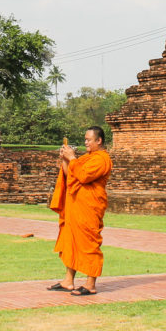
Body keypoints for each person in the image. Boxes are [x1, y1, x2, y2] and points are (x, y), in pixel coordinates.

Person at [47, 125, 113, 296]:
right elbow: (71, 175)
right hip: (76, 206)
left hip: (89, 208)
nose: (86, 143)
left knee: (89, 244)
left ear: (99, 141)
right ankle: (68, 281)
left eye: (89, 140)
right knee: (71, 240)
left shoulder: (101, 159)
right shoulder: (86, 158)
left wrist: (73, 158)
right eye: (85, 139)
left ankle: (90, 284)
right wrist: (65, 159)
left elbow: (84, 176)